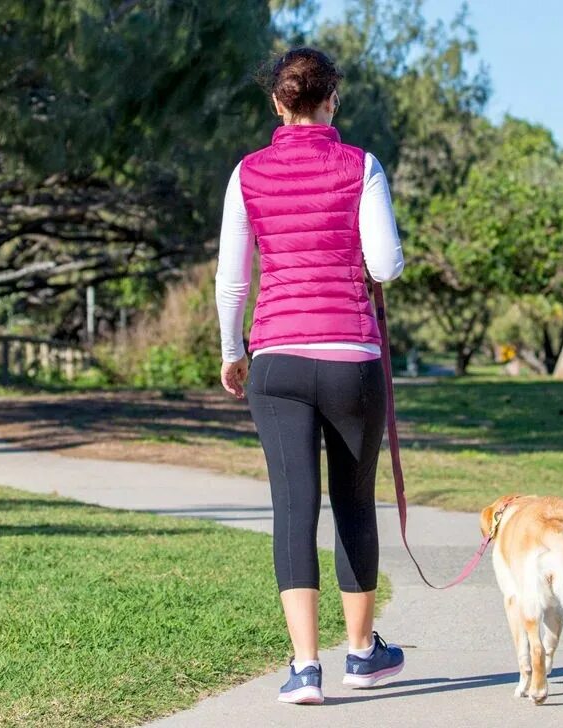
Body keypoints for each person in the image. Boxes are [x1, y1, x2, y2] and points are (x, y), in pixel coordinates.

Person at [214, 47, 406, 705]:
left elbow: (233, 278)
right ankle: (361, 654)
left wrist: (230, 350)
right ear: (333, 101)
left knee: (294, 508)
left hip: (277, 359)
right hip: (352, 358)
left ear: (276, 102)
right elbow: (385, 263)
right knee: (353, 502)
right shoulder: (362, 165)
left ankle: (304, 668)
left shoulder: (248, 173)